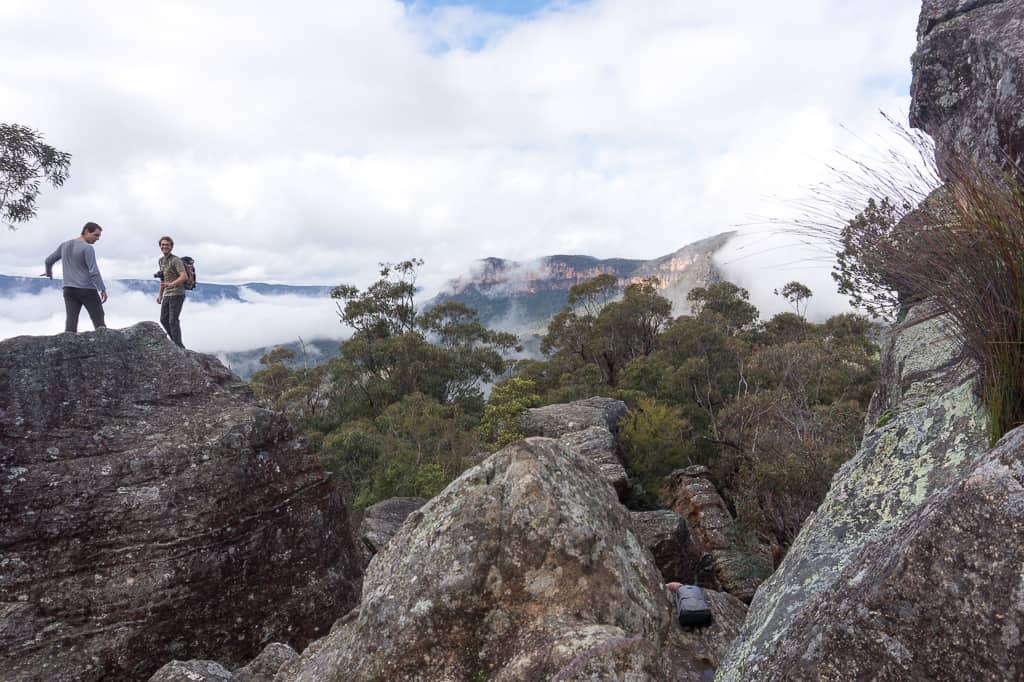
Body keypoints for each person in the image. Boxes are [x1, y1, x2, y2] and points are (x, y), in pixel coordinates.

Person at [43, 222, 108, 332]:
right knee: (99, 321)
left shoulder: (64, 245)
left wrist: (49, 272)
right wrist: (102, 288)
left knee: (71, 323)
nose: (97, 239)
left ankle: (68, 347)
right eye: (96, 235)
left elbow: (48, 261)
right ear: (87, 231)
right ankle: (106, 347)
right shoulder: (87, 248)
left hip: (69, 290)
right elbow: (94, 271)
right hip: (87, 289)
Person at [156, 235, 187, 348]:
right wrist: (160, 295)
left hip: (177, 293)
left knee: (173, 320)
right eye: (163, 245)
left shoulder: (176, 260)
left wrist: (171, 284)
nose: (165, 247)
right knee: (164, 320)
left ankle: (179, 346)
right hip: (167, 294)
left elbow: (184, 276)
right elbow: (163, 279)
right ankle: (175, 343)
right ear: (160, 246)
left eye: (167, 245)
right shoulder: (161, 261)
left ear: (171, 247)